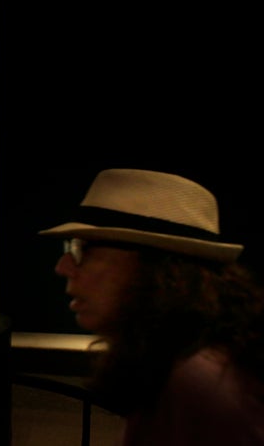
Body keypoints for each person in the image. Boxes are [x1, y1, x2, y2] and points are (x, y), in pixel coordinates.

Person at [38, 168, 264, 446]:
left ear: (154, 269)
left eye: (83, 249)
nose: (62, 267)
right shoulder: (171, 361)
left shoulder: (198, 385)